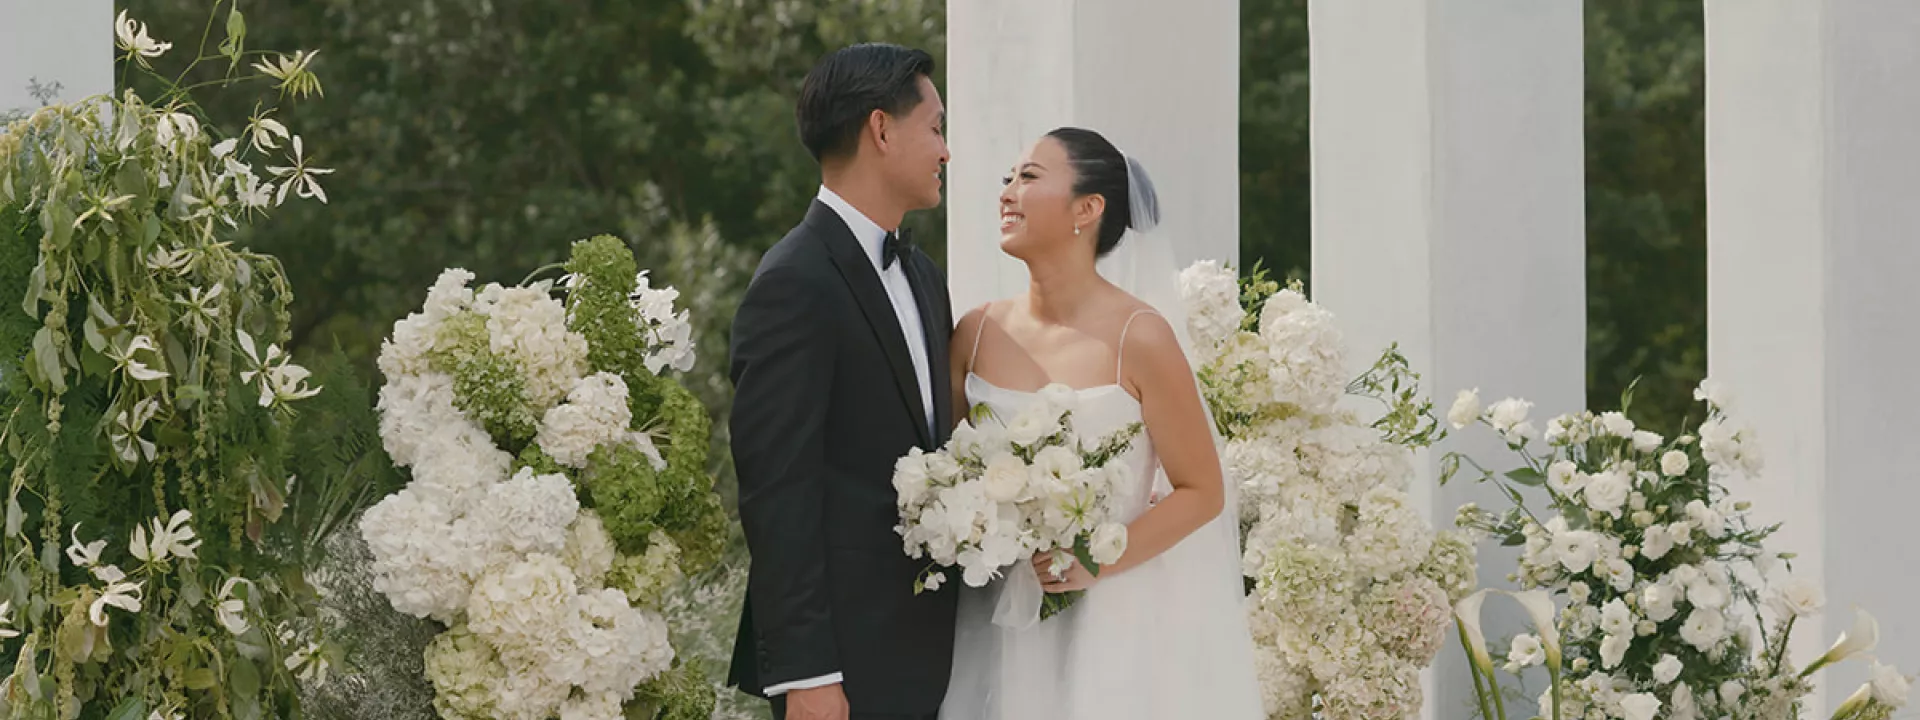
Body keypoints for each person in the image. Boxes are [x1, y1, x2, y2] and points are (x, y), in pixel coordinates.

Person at [938, 127, 1265, 719]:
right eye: (1007, 179)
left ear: (1087, 210)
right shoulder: (976, 332)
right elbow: (952, 471)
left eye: (1029, 177)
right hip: (998, 620)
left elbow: (1203, 490)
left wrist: (1096, 559)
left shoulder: (1139, 337)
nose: (1008, 192)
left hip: (1118, 621)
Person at [725, 43, 957, 720]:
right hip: (845, 673)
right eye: (936, 128)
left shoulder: (923, 277)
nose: (946, 151)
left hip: (934, 655)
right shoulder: (793, 282)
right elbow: (777, 494)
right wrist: (808, 676)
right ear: (881, 130)